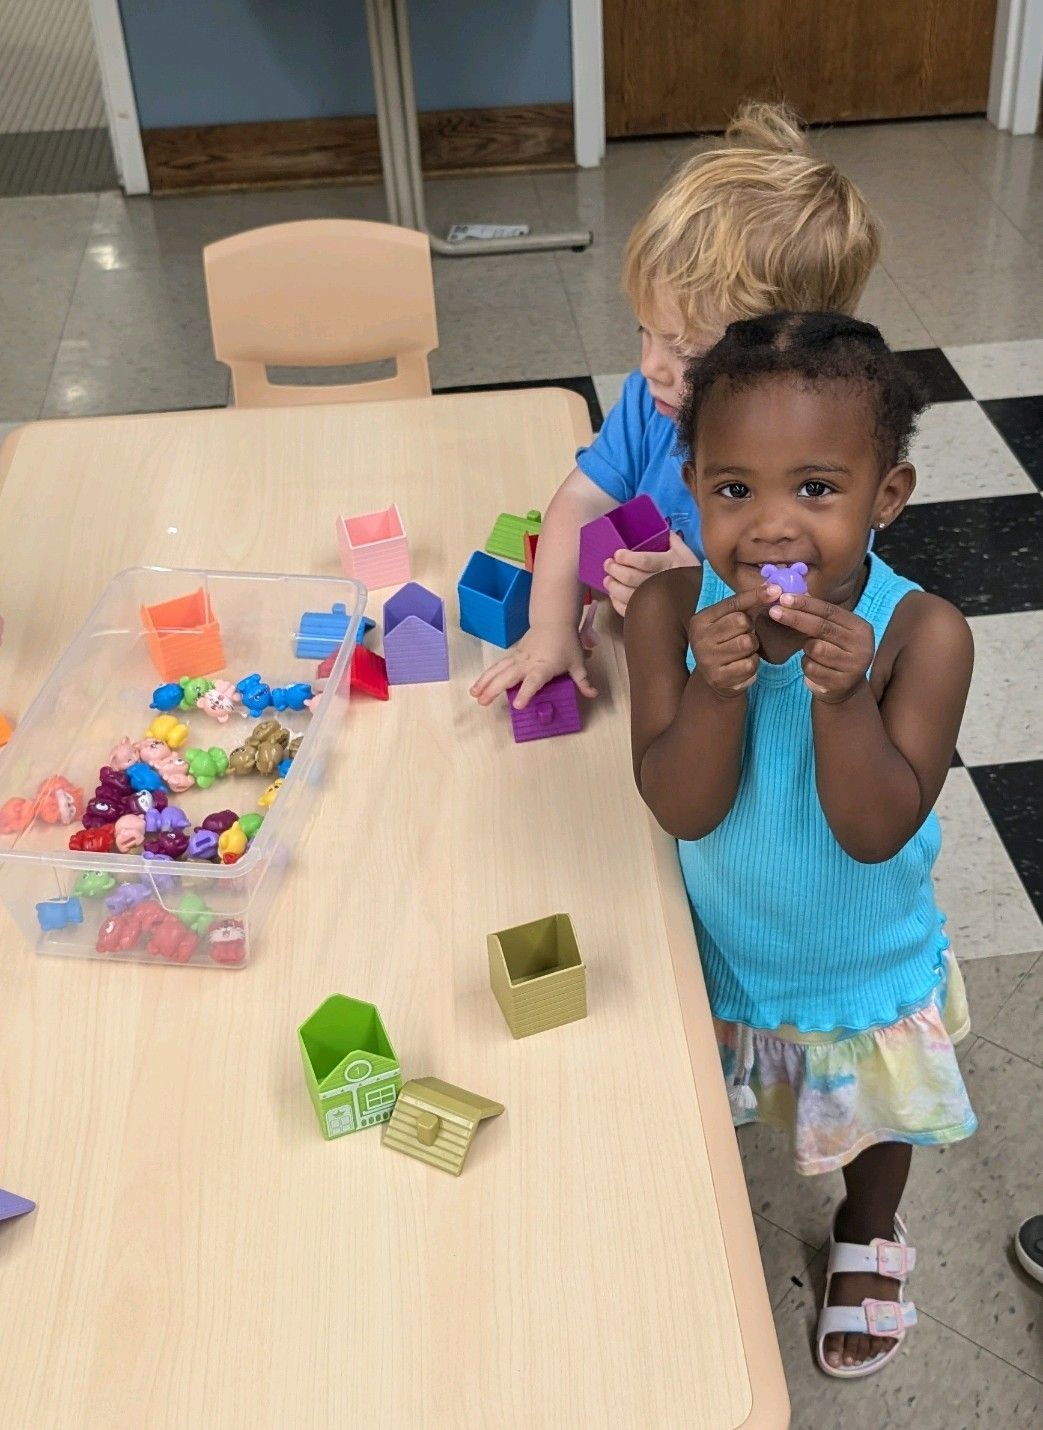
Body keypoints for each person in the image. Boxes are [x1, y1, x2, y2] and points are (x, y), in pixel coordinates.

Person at [624, 312, 977, 1378]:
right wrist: (715, 686)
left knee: (870, 1126)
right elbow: (678, 804)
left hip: (857, 962)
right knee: (724, 1105)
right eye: (734, 489)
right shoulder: (661, 610)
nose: (771, 528)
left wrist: (839, 696)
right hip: (724, 953)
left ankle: (867, 1240)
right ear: (690, 483)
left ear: (886, 495)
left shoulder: (924, 632)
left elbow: (872, 829)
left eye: (814, 489)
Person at [471, 102, 881, 712]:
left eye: (685, 351)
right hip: (642, 672)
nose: (650, 368)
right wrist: (552, 625)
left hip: (757, 702)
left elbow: (807, 623)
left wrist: (699, 586)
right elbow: (579, 501)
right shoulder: (650, 403)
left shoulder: (817, 467)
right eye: (646, 332)